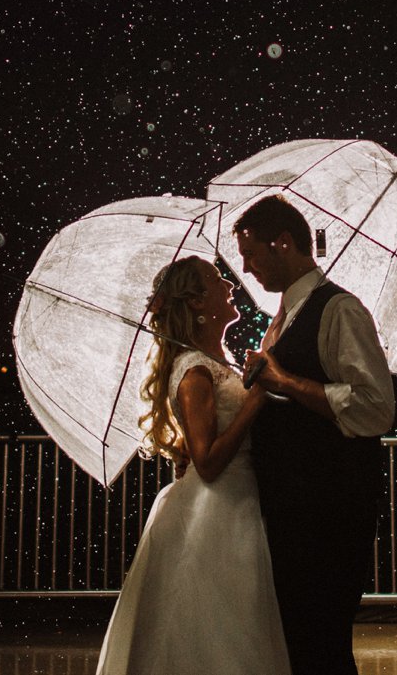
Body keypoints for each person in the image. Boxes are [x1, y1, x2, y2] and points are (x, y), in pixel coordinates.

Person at [96, 255, 291, 675]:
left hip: (234, 499)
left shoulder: (214, 361)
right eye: (217, 279)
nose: (230, 285)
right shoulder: (194, 372)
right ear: (199, 304)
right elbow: (206, 462)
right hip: (218, 509)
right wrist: (254, 401)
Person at [237, 195, 395, 675]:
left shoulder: (339, 310)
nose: (247, 269)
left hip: (327, 511)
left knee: (320, 641)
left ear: (283, 243)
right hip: (289, 509)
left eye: (252, 255)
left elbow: (375, 408)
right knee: (298, 642)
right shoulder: (282, 318)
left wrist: (283, 381)